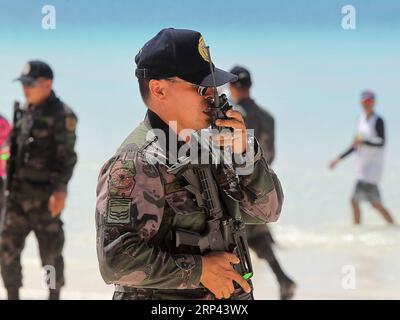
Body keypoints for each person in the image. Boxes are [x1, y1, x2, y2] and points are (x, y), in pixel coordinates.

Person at [95, 28, 284, 300]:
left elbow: (268, 211)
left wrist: (245, 153)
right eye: (200, 87)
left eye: (213, 86)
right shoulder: (135, 162)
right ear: (159, 89)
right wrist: (199, 271)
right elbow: (114, 262)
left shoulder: (210, 146)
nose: (212, 95)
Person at [0, 60, 78, 300]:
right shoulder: (24, 110)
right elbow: (11, 149)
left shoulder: (62, 115)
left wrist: (60, 191)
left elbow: (67, 158)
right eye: (23, 84)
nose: (25, 89)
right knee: (7, 251)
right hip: (16, 197)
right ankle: (12, 295)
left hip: (45, 199)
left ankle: (53, 296)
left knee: (51, 256)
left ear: (47, 84)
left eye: (30, 84)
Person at [229, 66, 296, 300]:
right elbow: (272, 154)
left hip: (236, 186)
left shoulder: (232, 116)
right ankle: (283, 280)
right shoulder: (268, 117)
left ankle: (242, 292)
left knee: (234, 241)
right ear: (250, 86)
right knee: (257, 237)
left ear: (231, 87)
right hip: (263, 185)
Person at [329, 90, 395, 225]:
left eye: (370, 101)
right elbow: (355, 145)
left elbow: (381, 141)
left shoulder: (378, 120)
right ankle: (393, 226)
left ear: (374, 103)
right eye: (365, 101)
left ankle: (358, 230)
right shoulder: (360, 120)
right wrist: (339, 158)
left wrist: (364, 142)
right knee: (373, 203)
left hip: (372, 170)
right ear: (361, 102)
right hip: (362, 168)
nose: (367, 104)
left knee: (356, 201)